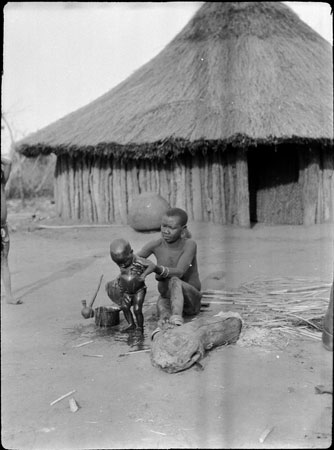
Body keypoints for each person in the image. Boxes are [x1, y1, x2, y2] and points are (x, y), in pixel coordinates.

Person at [137, 207, 202, 327]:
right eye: (163, 226)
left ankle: (177, 316)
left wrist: (156, 269)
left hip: (191, 301)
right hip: (167, 298)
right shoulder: (156, 245)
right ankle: (166, 320)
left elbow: (179, 272)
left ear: (183, 229)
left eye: (171, 228)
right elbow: (134, 260)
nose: (165, 231)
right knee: (162, 311)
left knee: (175, 280)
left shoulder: (189, 245)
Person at [105, 238, 155, 333]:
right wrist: (117, 279)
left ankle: (140, 327)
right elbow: (123, 273)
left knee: (137, 309)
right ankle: (131, 324)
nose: (122, 265)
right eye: (119, 263)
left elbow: (152, 265)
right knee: (124, 307)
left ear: (131, 253)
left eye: (124, 261)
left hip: (138, 290)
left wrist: (144, 274)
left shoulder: (138, 260)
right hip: (127, 291)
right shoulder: (122, 263)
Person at [1, 156, 22, 304]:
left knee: (4, 261)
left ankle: (8, 296)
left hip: (2, 228)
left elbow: (8, 162)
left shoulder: (1, 184)